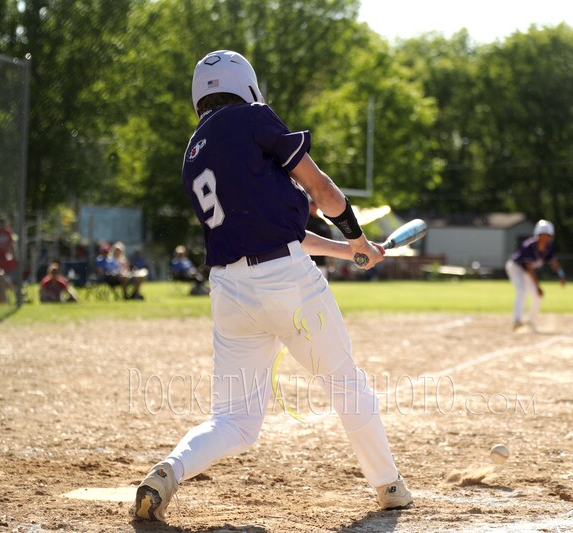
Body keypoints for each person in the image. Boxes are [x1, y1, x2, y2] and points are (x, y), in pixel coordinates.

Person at [133, 50, 412, 523]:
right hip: (286, 281)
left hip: (228, 290)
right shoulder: (254, 118)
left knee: (235, 422)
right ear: (247, 85)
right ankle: (389, 487)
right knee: (347, 386)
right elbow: (322, 192)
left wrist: (348, 253)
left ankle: (171, 469)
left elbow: (275, 228)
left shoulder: (194, 152)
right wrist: (358, 236)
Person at [504, 219, 566, 332]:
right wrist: (537, 286)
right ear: (537, 235)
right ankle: (517, 321)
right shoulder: (529, 246)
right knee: (521, 291)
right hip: (515, 267)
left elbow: (554, 263)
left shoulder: (549, 247)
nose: (544, 238)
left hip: (526, 271)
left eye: (546, 235)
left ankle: (531, 320)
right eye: (542, 235)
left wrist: (561, 274)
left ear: (550, 236)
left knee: (538, 296)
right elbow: (529, 268)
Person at [305, 199, 333, 279]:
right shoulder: (304, 220)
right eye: (312, 205)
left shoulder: (322, 222)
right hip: (307, 258)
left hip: (321, 258)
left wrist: (331, 260)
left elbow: (329, 240)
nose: (314, 207)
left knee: (322, 283)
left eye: (315, 205)